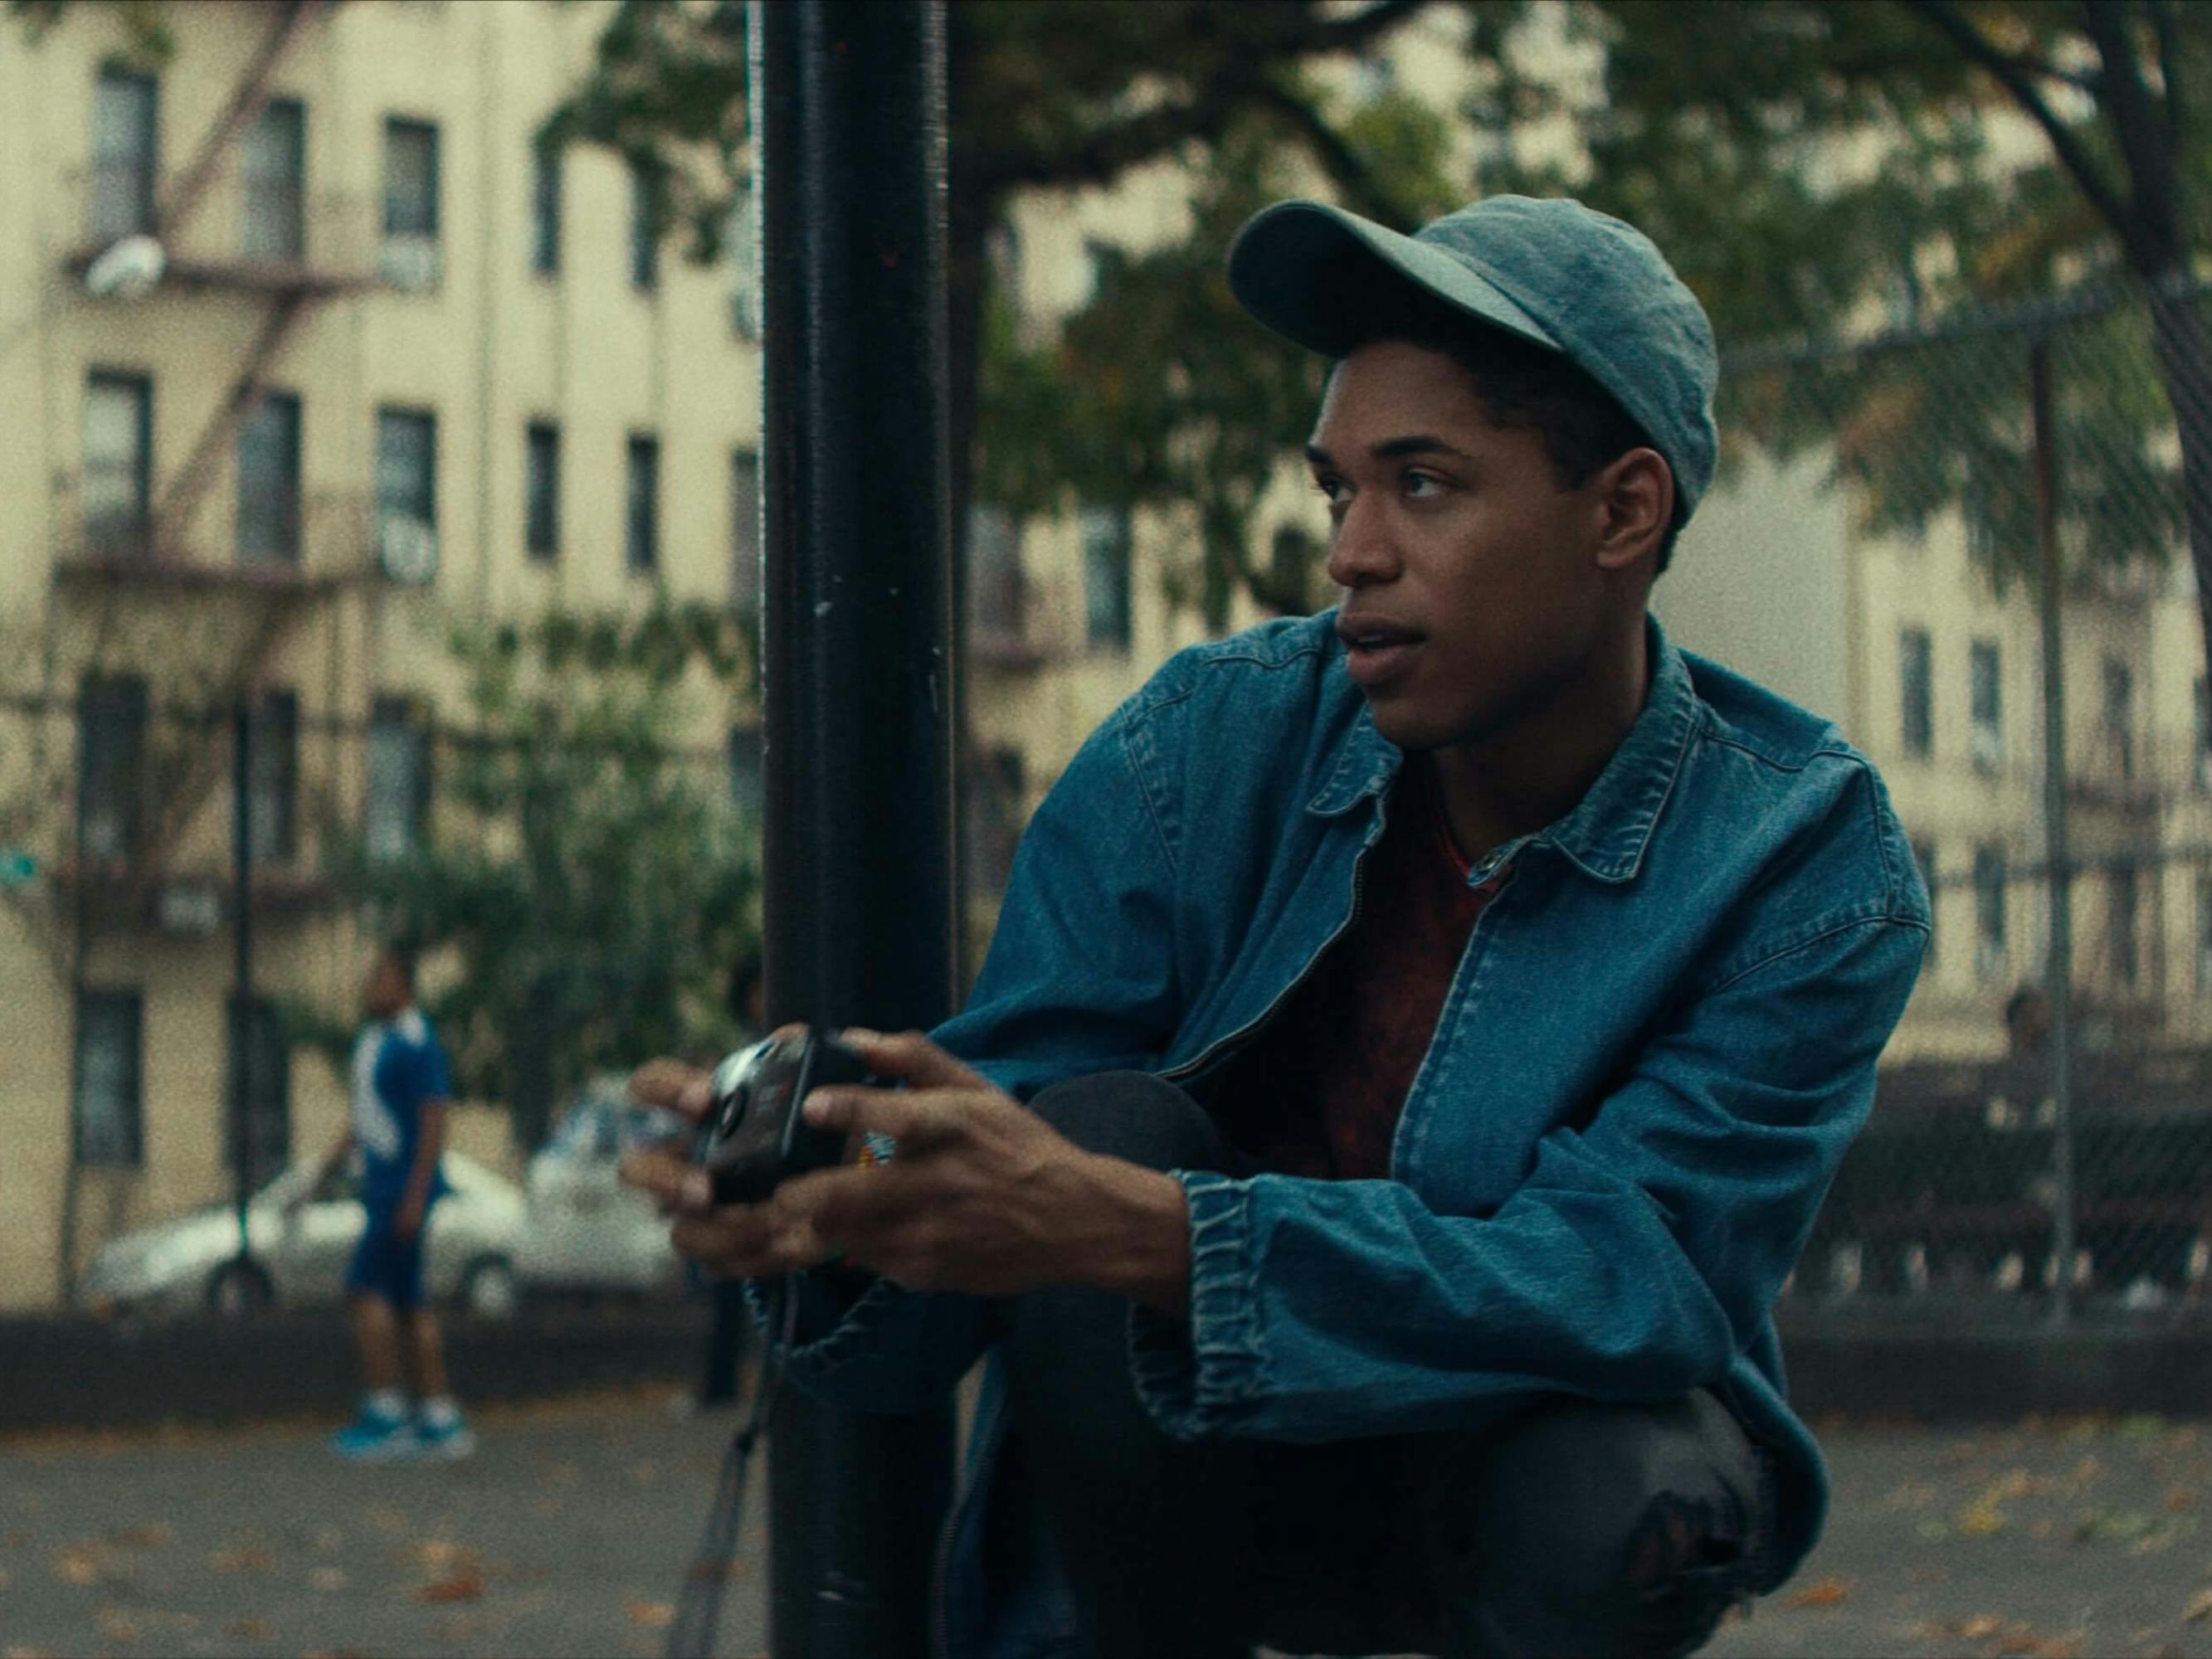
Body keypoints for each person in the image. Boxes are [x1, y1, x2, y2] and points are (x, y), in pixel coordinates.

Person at [624, 194, 1929, 1657]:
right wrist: (840, 1185)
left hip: (1508, 1471)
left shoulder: (1803, 857)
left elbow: (1636, 1275)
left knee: (1621, 1492)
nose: (1350, 554)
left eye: (1423, 486)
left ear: (1622, 511)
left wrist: (1166, 1237)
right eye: (1337, 491)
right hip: (1188, 1473)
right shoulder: (1206, 745)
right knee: (1095, 1123)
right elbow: (1007, 1141)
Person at [311, 944, 474, 1461]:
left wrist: (415, 1193)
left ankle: (385, 1412)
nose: (370, 986)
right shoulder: (374, 1041)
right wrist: (323, 1173)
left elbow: (433, 1117)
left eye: (379, 976)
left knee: (366, 1291)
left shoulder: (416, 1041)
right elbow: (363, 1121)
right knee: (410, 1301)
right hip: (380, 1187)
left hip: (398, 1193)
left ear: (402, 983)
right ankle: (438, 1416)